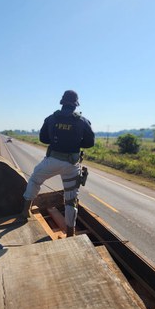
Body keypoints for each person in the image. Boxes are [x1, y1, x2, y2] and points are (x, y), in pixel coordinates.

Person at [21, 90, 95, 236]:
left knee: (35, 179)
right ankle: (70, 232)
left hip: (52, 160)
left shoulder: (51, 119)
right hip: (71, 165)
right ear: (75, 104)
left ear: (62, 103)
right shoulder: (82, 121)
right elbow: (89, 142)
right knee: (70, 199)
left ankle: (25, 211)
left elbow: (43, 139)